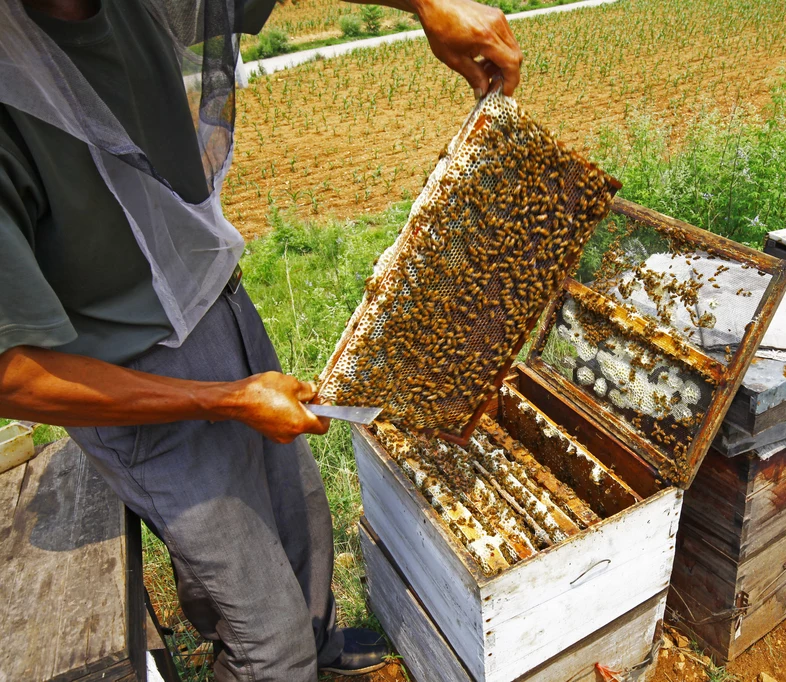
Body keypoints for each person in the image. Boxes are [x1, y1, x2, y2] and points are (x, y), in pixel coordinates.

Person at [0, 0, 522, 679]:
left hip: (218, 305)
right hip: (124, 381)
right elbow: (12, 376)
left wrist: (427, 3)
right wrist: (225, 398)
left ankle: (323, 642)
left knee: (300, 515)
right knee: (266, 637)